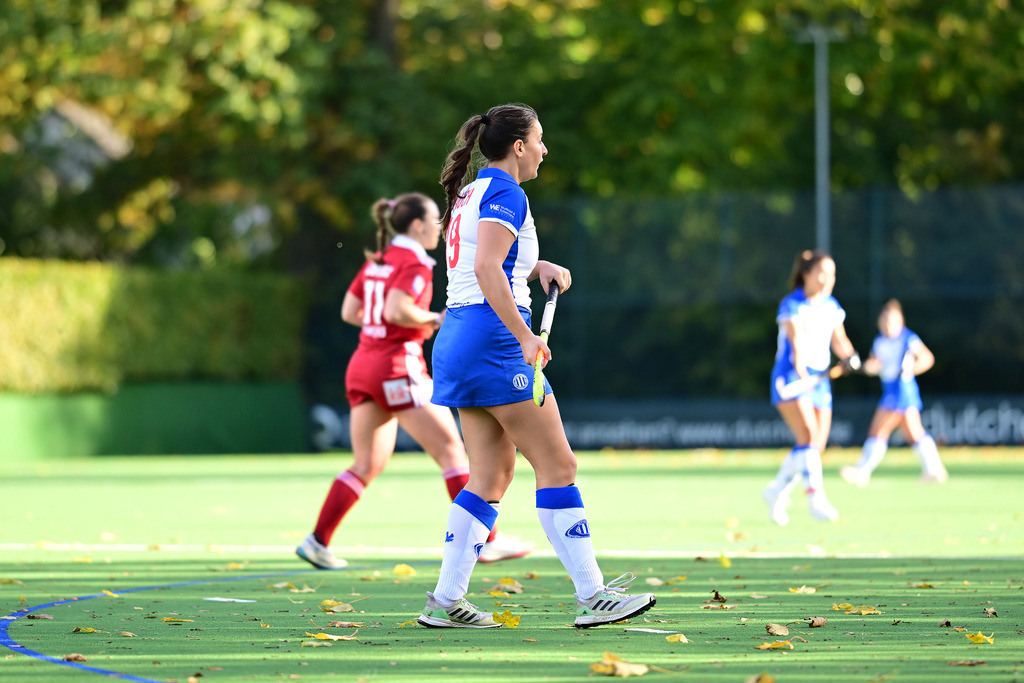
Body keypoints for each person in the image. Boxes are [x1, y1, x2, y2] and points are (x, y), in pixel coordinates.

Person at [415, 103, 656, 629]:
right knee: (559, 466)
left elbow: (485, 262)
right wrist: (525, 335)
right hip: (495, 339)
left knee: (489, 476)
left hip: (459, 337)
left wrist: (532, 266)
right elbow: (485, 267)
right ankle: (593, 596)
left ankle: (445, 600)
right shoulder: (507, 191)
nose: (545, 150)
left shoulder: (471, 191)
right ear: (518, 146)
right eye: (540, 140)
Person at [296, 192, 534, 570]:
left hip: (363, 365)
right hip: (396, 367)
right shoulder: (414, 260)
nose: (440, 227)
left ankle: (317, 541)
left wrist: (386, 327)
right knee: (452, 453)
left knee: (365, 464)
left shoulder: (381, 257)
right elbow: (396, 309)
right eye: (436, 220)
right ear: (418, 225)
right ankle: (487, 540)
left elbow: (351, 311)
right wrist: (432, 320)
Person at [763, 250, 860, 526]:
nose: (829, 279)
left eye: (832, 274)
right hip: (792, 378)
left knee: (813, 446)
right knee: (808, 435)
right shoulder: (791, 305)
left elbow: (840, 341)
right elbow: (796, 344)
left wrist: (850, 357)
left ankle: (775, 491)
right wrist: (802, 369)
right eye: (823, 273)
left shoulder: (831, 306)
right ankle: (815, 498)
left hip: (820, 382)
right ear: (807, 275)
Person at [840, 299, 948, 487]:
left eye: (891, 321)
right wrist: (860, 366)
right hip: (889, 389)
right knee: (914, 433)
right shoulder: (879, 342)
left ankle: (862, 471)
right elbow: (876, 365)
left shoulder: (908, 338)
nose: (887, 324)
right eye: (884, 320)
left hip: (902, 389)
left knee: (878, 431)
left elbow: (927, 359)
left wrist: (910, 369)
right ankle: (934, 469)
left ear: (900, 322)